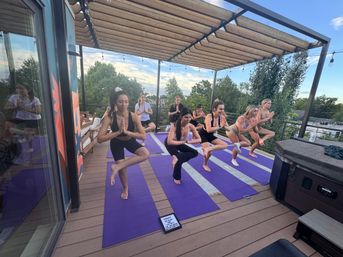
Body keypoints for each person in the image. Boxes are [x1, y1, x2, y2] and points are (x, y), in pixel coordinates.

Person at [97, 87, 149, 199]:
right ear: (115, 102)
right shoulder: (110, 117)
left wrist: (127, 132)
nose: (123, 104)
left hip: (130, 141)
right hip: (117, 143)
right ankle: (125, 188)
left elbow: (143, 136)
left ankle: (117, 166)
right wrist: (118, 132)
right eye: (120, 101)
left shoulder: (133, 116)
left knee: (145, 153)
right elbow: (99, 139)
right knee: (123, 169)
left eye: (126, 101)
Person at [164, 108, 200, 184]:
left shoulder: (191, 126)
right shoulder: (174, 125)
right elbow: (169, 142)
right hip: (170, 144)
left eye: (190, 117)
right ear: (181, 117)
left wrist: (188, 141)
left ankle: (177, 158)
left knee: (195, 153)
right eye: (186, 117)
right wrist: (183, 142)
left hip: (180, 143)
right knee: (179, 160)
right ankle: (176, 177)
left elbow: (199, 139)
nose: (188, 119)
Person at [4, 83, 41, 152]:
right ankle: (24, 135)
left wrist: (25, 108)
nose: (19, 90)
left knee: (28, 131)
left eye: (21, 88)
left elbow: (38, 111)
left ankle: (30, 148)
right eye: (17, 88)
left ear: (27, 90)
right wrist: (15, 107)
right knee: (7, 123)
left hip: (32, 118)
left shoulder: (34, 99)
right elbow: (6, 107)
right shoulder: (14, 97)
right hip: (20, 117)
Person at [199, 100, 229, 172]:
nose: (222, 111)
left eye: (223, 109)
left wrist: (237, 128)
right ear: (215, 109)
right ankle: (205, 164)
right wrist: (220, 126)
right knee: (209, 154)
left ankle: (207, 149)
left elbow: (227, 127)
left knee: (225, 145)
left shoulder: (222, 118)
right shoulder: (209, 117)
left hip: (210, 135)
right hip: (203, 134)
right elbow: (209, 130)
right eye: (220, 109)